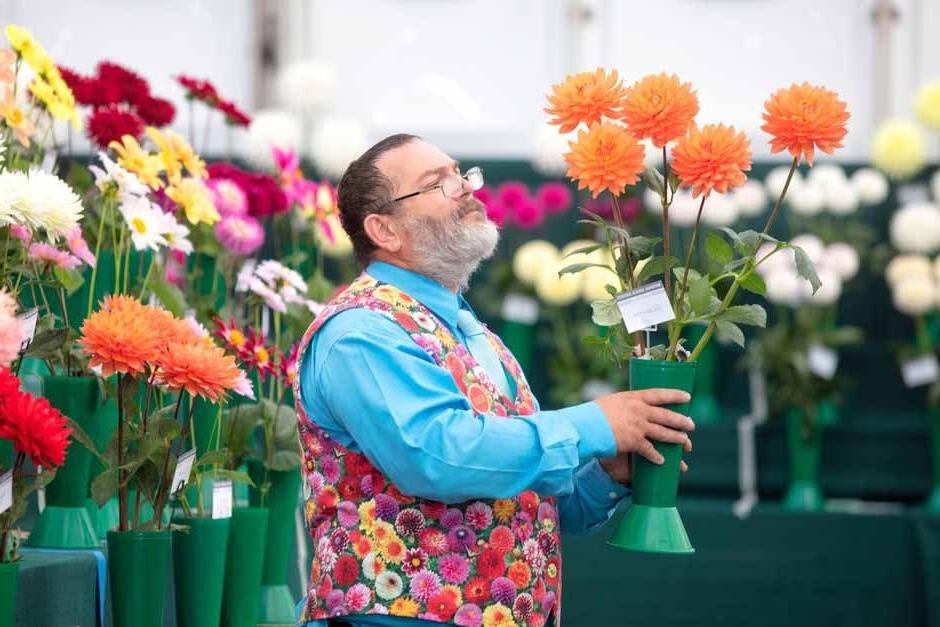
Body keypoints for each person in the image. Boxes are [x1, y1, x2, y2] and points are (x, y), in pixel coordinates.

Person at [295, 134, 695, 627]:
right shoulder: (361, 331)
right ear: (384, 230)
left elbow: (531, 503)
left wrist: (610, 473)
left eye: (460, 173)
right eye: (436, 184)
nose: (465, 188)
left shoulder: (468, 331)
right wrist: (593, 424)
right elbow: (440, 456)